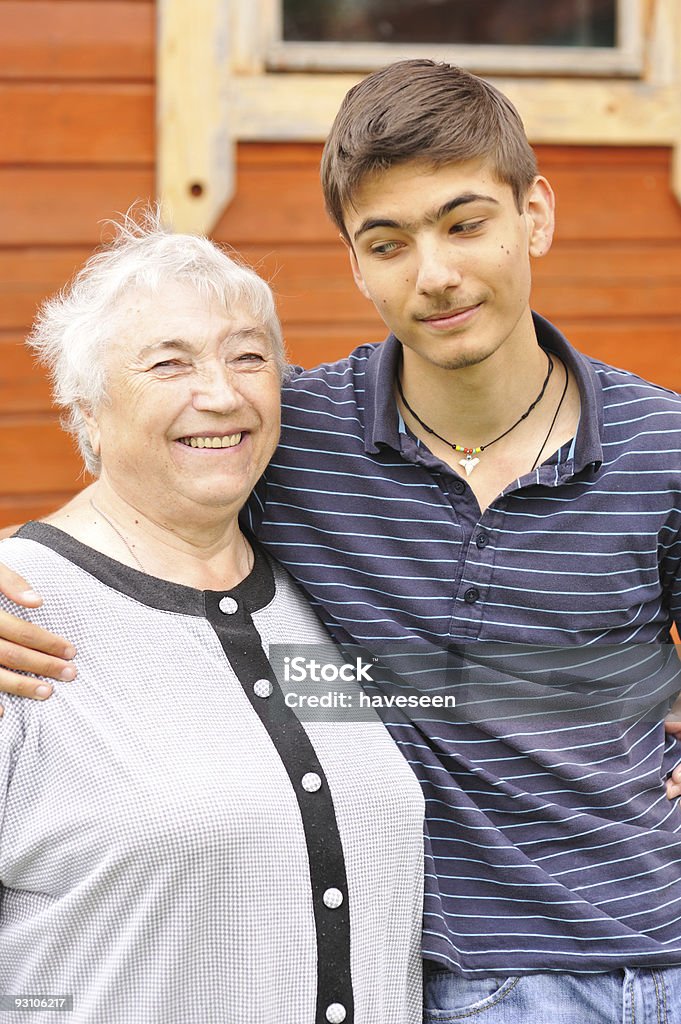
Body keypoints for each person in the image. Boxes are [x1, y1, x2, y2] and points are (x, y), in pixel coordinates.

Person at [1, 59, 680, 1021]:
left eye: (464, 223)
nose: (435, 273)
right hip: (468, 983)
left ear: (535, 214)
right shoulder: (292, 436)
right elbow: (141, 488)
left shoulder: (662, 443)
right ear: (355, 265)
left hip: (667, 943)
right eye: (389, 242)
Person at [0, 216, 425, 1023]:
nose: (222, 393)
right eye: (170, 363)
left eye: (248, 356)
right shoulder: (18, 615)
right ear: (87, 408)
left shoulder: (328, 595)